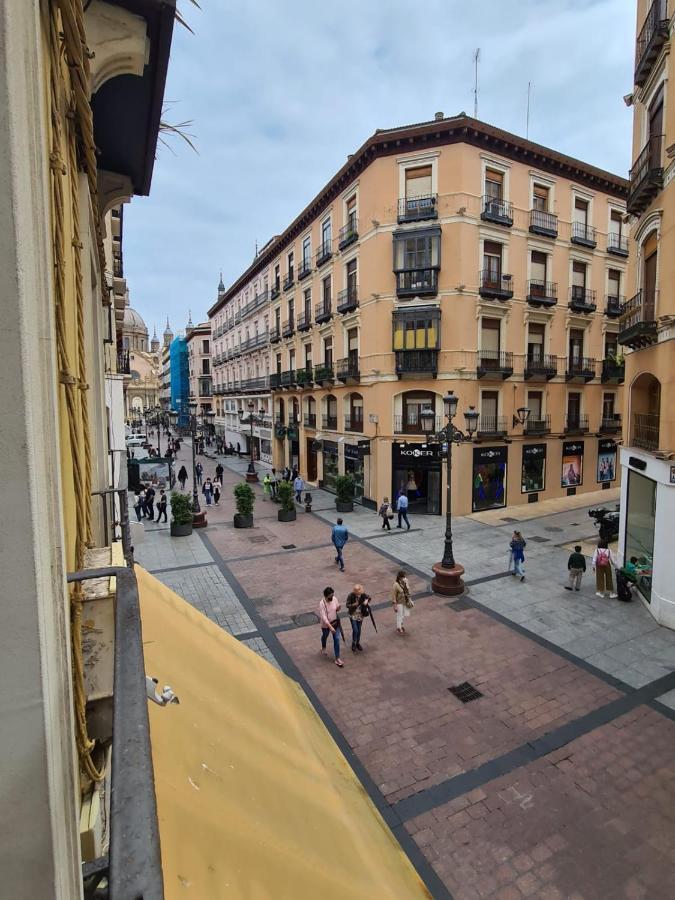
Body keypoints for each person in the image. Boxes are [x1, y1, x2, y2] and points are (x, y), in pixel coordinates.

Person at [319, 586, 344, 667]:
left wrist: (338, 608)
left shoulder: (334, 599)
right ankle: (323, 647)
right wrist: (330, 627)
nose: (332, 598)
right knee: (325, 635)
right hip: (326, 625)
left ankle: (337, 658)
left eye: (333, 595)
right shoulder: (322, 603)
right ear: (326, 596)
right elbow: (324, 617)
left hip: (335, 622)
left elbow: (335, 609)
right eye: (330, 596)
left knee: (336, 639)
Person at [346, 584, 371, 652]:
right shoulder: (351, 595)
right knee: (355, 629)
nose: (359, 595)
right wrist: (354, 604)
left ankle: (357, 643)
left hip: (360, 615)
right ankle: (353, 643)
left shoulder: (363, 594)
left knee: (359, 629)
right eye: (357, 593)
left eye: (359, 593)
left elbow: (369, 597)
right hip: (353, 615)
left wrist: (367, 601)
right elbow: (347, 605)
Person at [392, 570, 412, 635]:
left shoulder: (405, 581)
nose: (404, 578)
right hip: (399, 602)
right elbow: (393, 595)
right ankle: (399, 627)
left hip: (405, 600)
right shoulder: (395, 584)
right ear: (400, 577)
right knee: (399, 615)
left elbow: (408, 590)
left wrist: (406, 583)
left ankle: (401, 624)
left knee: (403, 614)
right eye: (403, 577)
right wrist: (394, 606)